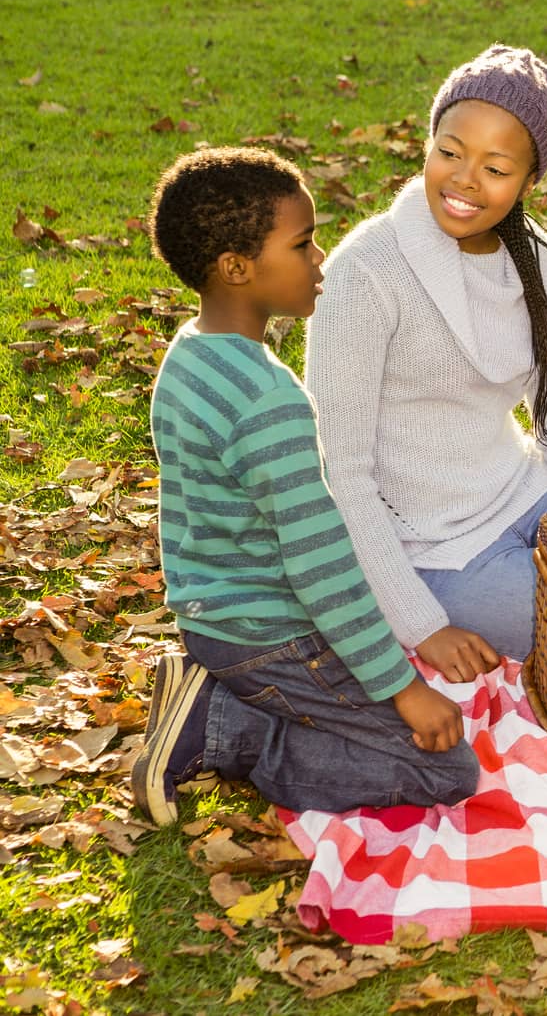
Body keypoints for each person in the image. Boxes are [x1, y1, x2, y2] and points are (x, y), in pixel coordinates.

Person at [133, 148, 478, 825]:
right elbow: (320, 571)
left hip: (211, 620)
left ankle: (218, 694)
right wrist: (403, 688)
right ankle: (223, 726)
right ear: (237, 268)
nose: (320, 258)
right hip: (270, 635)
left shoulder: (189, 357)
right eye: (302, 243)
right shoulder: (269, 403)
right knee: (442, 767)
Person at [306, 46, 547, 667]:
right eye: (449, 152)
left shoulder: (536, 261)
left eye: (497, 168)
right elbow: (339, 473)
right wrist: (420, 625)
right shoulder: (365, 273)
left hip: (530, 491)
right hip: (434, 548)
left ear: (531, 182)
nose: (464, 180)